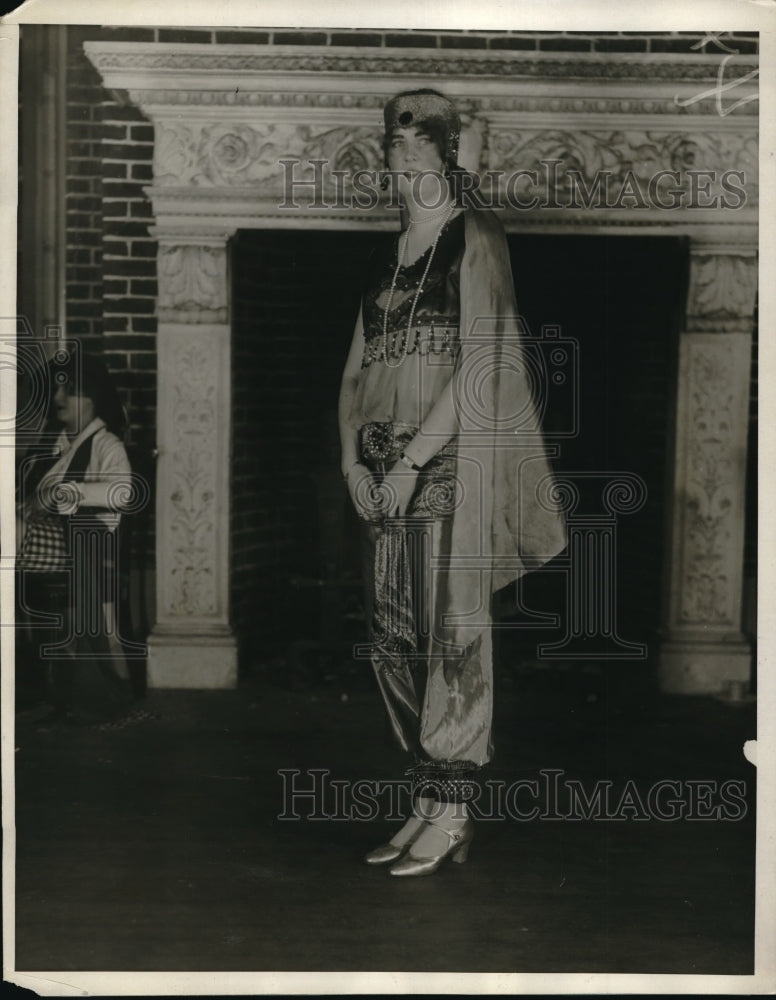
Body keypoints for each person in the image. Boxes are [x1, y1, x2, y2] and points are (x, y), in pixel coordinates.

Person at [338, 90, 566, 876]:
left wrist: (408, 465)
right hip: (379, 469)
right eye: (394, 145)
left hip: (443, 467)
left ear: (446, 155)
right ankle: (427, 799)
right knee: (392, 633)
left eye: (419, 144)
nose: (404, 157)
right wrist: (351, 462)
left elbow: (484, 363)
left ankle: (457, 806)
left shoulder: (476, 236)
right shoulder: (390, 250)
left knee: (451, 630)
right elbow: (358, 365)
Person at [16, 348, 134, 725]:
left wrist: (68, 493)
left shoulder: (106, 445)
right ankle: (34, 681)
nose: (58, 399)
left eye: (70, 391)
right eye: (56, 390)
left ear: (93, 397)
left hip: (84, 546)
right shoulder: (58, 446)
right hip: (52, 545)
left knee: (13, 536)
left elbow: (123, 492)